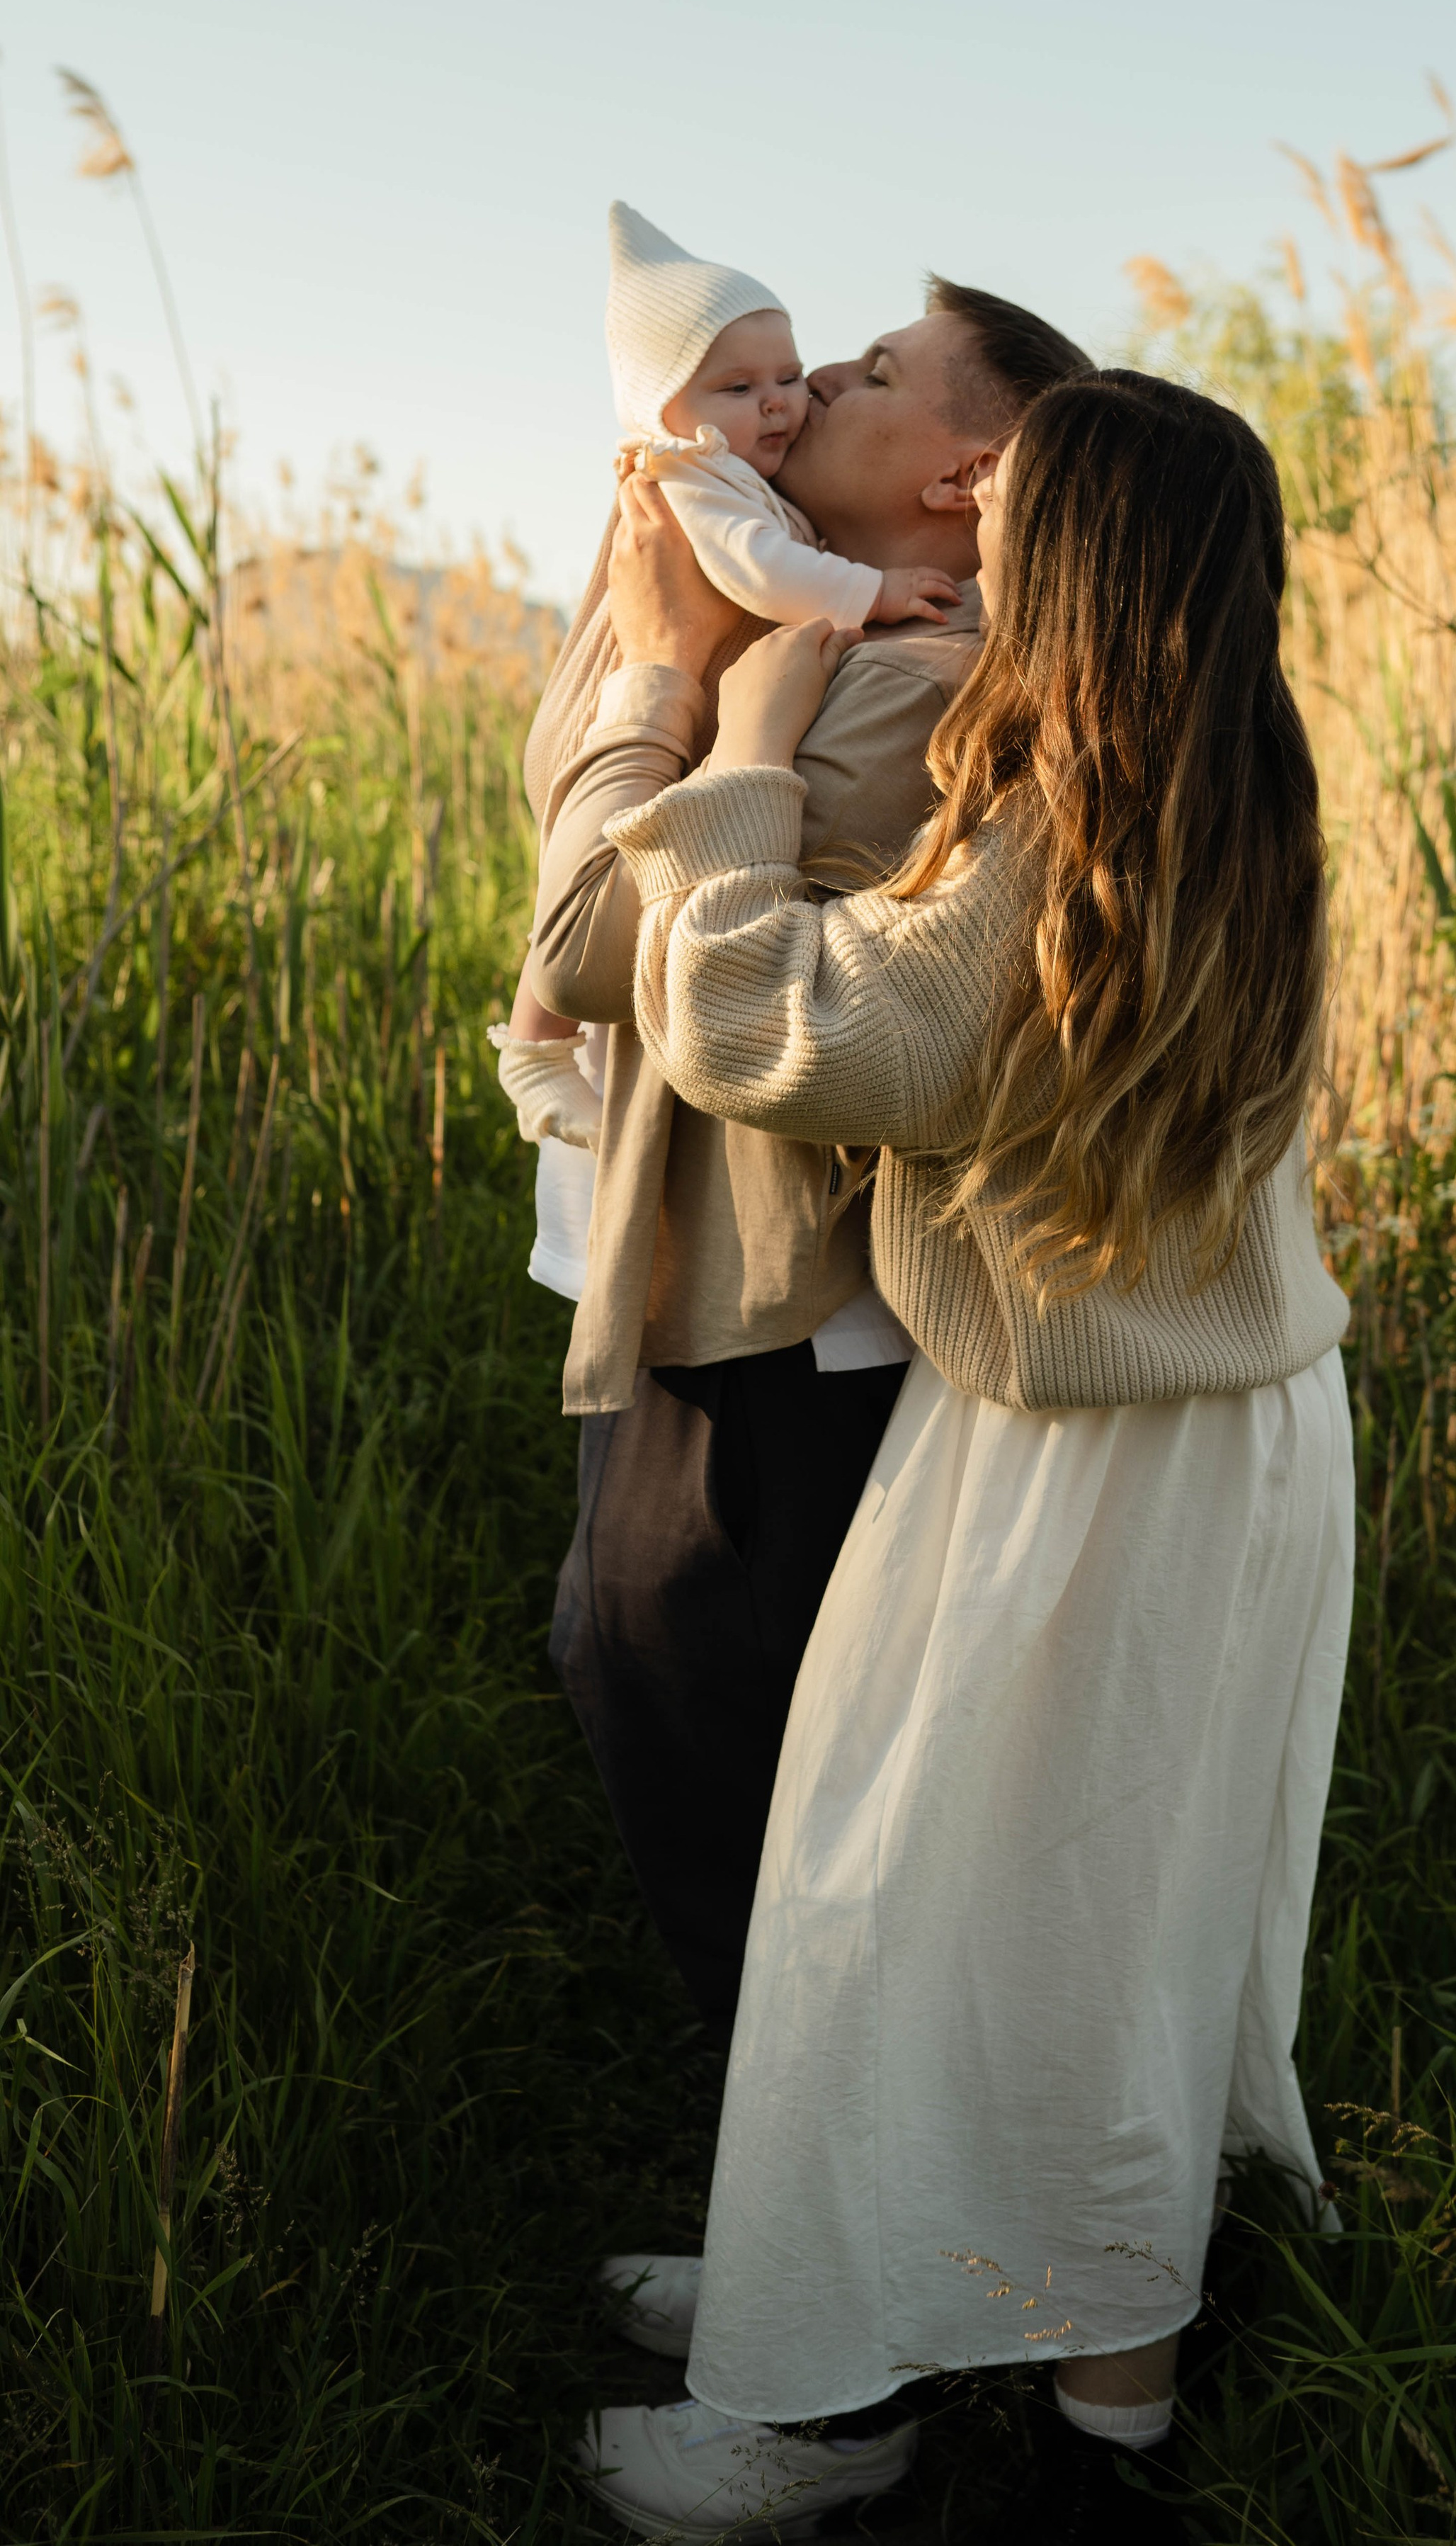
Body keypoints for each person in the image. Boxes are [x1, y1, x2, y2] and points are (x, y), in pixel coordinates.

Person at [571, 373, 1356, 2537]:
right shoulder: (1231, 778)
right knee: (1116, 1926)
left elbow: (780, 1036)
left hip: (1086, 1455)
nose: (974, 472)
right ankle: (1086, 2402)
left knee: (914, 1907)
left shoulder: (1055, 822)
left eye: (1022, 469)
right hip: (1237, 1431)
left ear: (1083, 544)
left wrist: (723, 758)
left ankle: (830, 2409)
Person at [511, 278, 1088, 2069]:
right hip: (695, 1279)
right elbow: (565, 813)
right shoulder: (812, 630)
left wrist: (678, 673)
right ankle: (809, 2222)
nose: (816, 380)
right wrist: (664, 621)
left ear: (963, 478)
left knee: (724, 1748)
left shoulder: (913, 681)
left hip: (781, 1319)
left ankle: (825, 2250)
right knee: (641, 1678)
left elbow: (592, 934)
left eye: (872, 374)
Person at [491, 200, 958, 1158]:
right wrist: (873, 589)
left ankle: (539, 1048)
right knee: (591, 857)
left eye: (786, 375)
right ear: (666, 409)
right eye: (739, 387)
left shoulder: (745, 473)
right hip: (646, 701)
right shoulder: (691, 480)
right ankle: (535, 1049)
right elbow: (758, 572)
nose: (789, 399)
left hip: (679, 717)